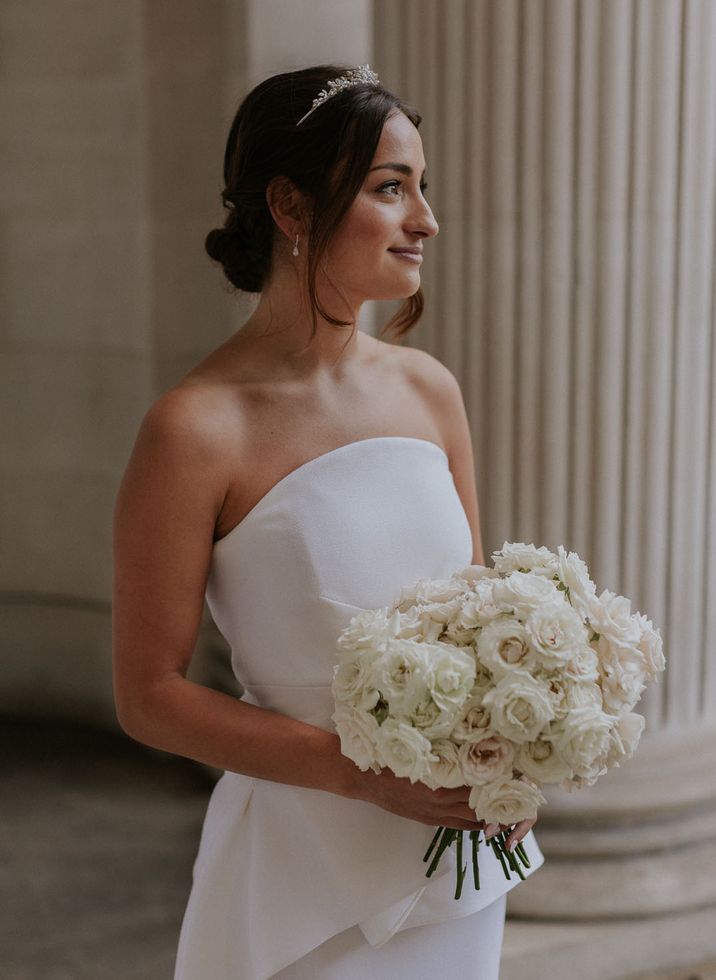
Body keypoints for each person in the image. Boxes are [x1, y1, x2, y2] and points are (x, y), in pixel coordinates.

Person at [112, 63, 543, 980]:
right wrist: (357, 773)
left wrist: (517, 742)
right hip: (306, 867)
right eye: (392, 189)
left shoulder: (430, 390)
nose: (426, 220)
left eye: (423, 189)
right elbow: (149, 695)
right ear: (291, 206)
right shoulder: (194, 430)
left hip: (456, 866)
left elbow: (478, 620)